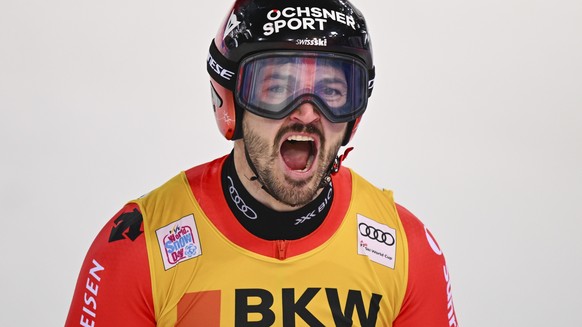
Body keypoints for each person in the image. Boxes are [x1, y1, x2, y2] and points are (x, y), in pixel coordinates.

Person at [66, 0, 458, 326]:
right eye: (277, 88)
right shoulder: (138, 246)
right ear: (231, 100)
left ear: (354, 115)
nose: (306, 112)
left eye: (333, 91)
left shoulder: (407, 251)